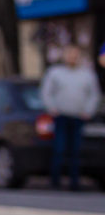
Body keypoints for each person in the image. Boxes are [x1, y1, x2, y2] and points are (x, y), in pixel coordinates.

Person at [41, 43, 100, 190]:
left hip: (78, 117)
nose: (73, 58)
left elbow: (94, 94)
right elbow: (46, 92)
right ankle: (55, 181)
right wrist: (52, 108)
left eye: (75, 55)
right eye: (70, 55)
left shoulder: (87, 74)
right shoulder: (55, 72)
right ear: (65, 56)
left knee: (76, 150)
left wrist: (88, 111)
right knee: (59, 149)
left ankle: (74, 182)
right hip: (61, 116)